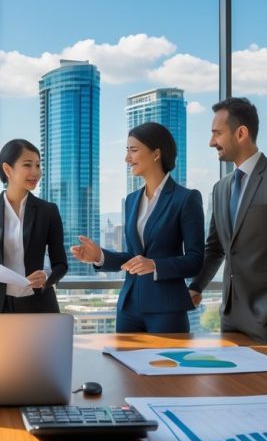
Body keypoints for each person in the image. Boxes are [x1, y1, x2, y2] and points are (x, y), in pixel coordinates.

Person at [189, 97, 267, 344]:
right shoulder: (220, 188)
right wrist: (197, 286)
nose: (212, 142)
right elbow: (215, 249)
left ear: (241, 133)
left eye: (217, 133)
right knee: (229, 383)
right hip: (230, 316)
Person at [72, 123, 204, 332]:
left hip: (166, 310)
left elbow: (196, 260)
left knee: (165, 365)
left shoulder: (186, 199)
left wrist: (155, 265)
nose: (127, 158)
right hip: (129, 307)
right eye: (127, 151)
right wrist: (99, 256)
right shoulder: (131, 200)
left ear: (156, 154)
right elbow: (133, 257)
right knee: (122, 365)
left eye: (133, 150)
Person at [0, 139, 68, 313]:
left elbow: (61, 264)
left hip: (39, 304)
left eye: (38, 165)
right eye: (28, 165)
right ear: (7, 169)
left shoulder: (48, 211)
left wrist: (46, 276)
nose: (36, 172)